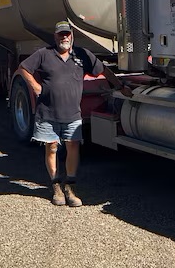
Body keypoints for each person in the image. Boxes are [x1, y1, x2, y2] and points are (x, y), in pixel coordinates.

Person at [18, 20, 133, 207]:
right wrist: (36, 87)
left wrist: (121, 86)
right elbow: (23, 68)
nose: (64, 37)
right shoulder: (44, 54)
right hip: (48, 112)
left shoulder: (82, 55)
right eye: (60, 34)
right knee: (52, 147)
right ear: (55, 36)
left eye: (67, 34)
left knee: (73, 147)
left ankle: (70, 187)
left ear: (72, 36)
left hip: (72, 113)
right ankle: (56, 186)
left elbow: (104, 70)